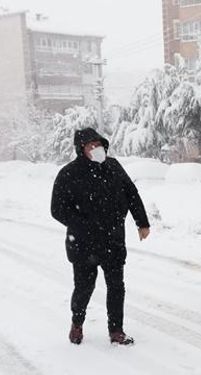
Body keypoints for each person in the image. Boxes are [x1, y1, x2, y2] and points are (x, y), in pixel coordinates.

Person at [51, 128, 150, 345]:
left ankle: (116, 330)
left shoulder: (113, 167)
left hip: (113, 239)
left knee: (116, 286)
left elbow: (131, 193)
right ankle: (77, 323)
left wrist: (142, 222)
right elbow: (57, 209)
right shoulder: (69, 174)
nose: (97, 149)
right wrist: (83, 225)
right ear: (81, 150)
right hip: (84, 243)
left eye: (99, 145)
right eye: (91, 146)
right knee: (84, 287)